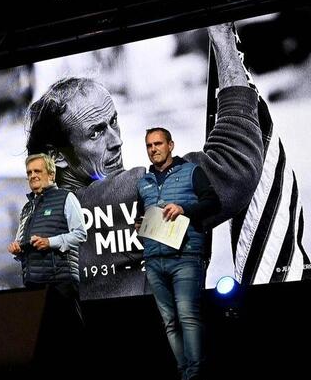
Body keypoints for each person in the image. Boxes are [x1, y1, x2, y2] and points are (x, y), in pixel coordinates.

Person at [26, 23, 262, 299]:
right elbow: (235, 166)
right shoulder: (128, 195)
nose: (117, 141)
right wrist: (222, 37)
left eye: (113, 121)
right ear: (57, 157)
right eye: (96, 132)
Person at [135, 128, 220, 380]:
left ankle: (197, 378)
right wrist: (140, 225)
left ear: (170, 145)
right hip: (154, 258)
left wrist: (184, 209)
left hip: (185, 255)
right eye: (149, 145)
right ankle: (185, 378)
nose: (153, 149)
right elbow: (142, 214)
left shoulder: (191, 171)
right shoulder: (144, 182)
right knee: (170, 321)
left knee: (187, 316)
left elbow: (213, 202)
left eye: (158, 143)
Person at [7, 153, 87, 312]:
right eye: (29, 173)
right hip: (33, 284)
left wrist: (50, 242)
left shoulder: (66, 197)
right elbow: (21, 242)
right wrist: (18, 249)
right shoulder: (27, 208)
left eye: (37, 171)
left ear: (51, 174)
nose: (32, 175)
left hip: (61, 283)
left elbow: (80, 234)